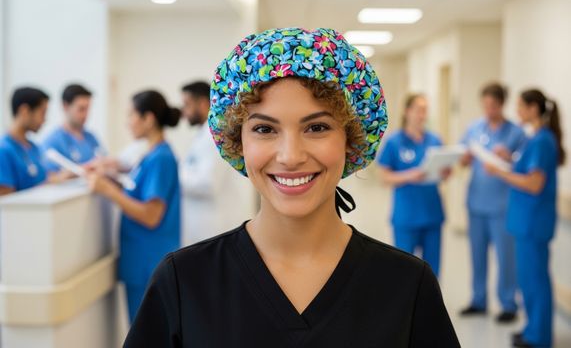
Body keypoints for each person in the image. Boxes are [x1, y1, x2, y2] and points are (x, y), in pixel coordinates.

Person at [124, 28, 460, 347]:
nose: (290, 156)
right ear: (237, 141)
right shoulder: (184, 282)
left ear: (352, 139)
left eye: (316, 127)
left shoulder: (405, 285)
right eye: (265, 130)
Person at [88, 90, 181, 322]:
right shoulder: (150, 156)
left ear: (148, 119)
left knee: (148, 334)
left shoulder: (160, 158)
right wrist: (113, 177)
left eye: (131, 115)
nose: (128, 122)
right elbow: (139, 190)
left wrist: (108, 191)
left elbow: (151, 215)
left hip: (148, 262)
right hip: (142, 261)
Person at [484, 89, 564, 348]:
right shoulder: (536, 138)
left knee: (535, 281)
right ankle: (532, 329)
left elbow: (534, 183)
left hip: (533, 224)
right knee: (528, 280)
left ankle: (539, 337)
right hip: (526, 222)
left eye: (520, 106)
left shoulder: (542, 140)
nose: (516, 111)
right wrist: (509, 160)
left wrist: (499, 172)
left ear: (533, 108)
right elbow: (528, 169)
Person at [459, 83, 527, 322]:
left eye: (494, 105)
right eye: (485, 105)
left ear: (502, 104)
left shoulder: (515, 133)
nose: (489, 109)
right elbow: (462, 161)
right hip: (476, 203)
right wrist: (465, 158)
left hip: (502, 206)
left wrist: (508, 157)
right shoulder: (474, 129)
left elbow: (524, 168)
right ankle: (478, 300)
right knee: (477, 255)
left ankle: (508, 303)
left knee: (505, 257)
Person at [376, 93, 449, 277]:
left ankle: (429, 306)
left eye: (425, 110)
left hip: (432, 214)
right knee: (405, 270)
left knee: (432, 271)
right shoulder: (394, 142)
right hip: (406, 217)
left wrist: (445, 172)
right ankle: (407, 306)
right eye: (418, 110)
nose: (422, 115)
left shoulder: (434, 140)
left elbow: (444, 174)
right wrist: (410, 176)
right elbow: (384, 177)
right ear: (407, 111)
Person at [179, 81, 254, 245]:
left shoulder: (213, 136)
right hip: (207, 230)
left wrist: (173, 177)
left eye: (187, 104)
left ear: (203, 103)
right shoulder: (202, 135)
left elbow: (207, 183)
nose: (183, 112)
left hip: (217, 228)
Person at [0, 87, 70, 196]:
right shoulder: (4, 150)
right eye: (42, 113)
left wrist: (68, 175)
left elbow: (42, 181)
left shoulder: (34, 148)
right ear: (24, 111)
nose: (45, 119)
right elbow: (5, 200)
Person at [42, 83, 102, 171]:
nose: (85, 114)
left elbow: (103, 160)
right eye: (81, 109)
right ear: (65, 106)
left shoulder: (91, 138)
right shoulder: (52, 142)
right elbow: (49, 178)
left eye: (88, 109)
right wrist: (79, 170)